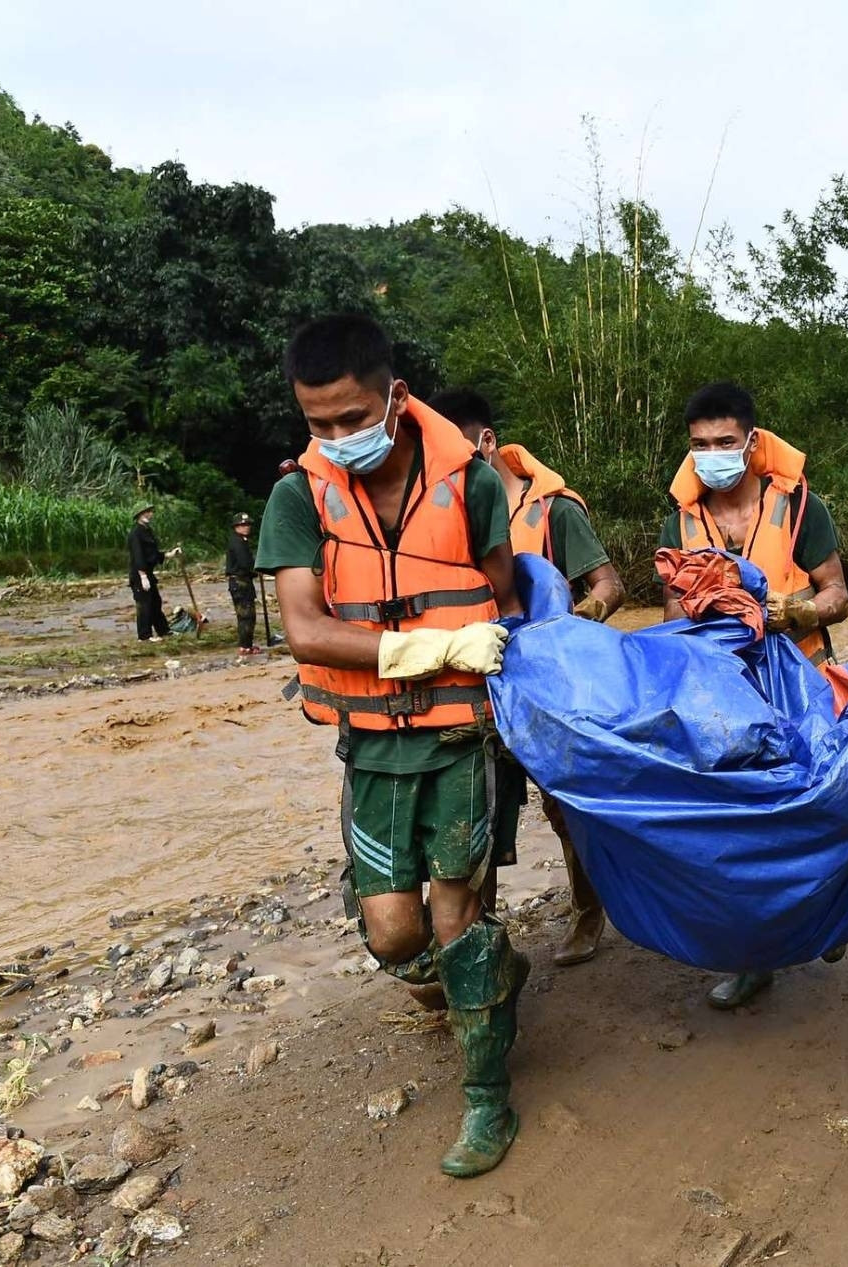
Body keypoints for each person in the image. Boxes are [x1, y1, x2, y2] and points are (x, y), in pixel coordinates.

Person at [255, 314, 527, 1179]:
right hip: (370, 747)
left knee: (456, 916)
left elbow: (501, 597)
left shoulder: (473, 482)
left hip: (457, 736)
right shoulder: (299, 494)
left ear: (395, 397)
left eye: (351, 418)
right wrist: (425, 646)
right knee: (394, 934)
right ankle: (488, 974)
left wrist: (477, 651)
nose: (338, 439)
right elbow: (303, 628)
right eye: (319, 424)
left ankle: (488, 1097)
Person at [658, 380, 848, 1009]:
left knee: (816, 810)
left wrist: (782, 612)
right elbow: (669, 619)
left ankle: (826, 913)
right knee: (737, 828)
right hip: (725, 701)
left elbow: (838, 596)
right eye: (699, 445)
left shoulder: (799, 507)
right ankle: (752, 958)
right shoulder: (681, 519)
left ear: (750, 442)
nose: (711, 454)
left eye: (724, 442)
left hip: (804, 685)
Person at [434, 387, 626, 965]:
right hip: (477, 687)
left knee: (567, 808)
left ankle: (589, 913)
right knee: (476, 814)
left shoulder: (555, 510)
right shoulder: (443, 514)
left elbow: (609, 587)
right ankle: (478, 944)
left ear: (486, 441)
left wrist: (565, 623)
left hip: (548, 689)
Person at [126, 506, 177, 642]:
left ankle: (164, 631)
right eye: (146, 512)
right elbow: (138, 557)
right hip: (139, 574)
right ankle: (144, 636)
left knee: (155, 602)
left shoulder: (148, 531)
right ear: (139, 515)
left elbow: (152, 554)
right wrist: (143, 576)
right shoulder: (135, 534)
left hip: (149, 573)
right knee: (144, 605)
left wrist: (169, 555)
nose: (150, 514)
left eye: (150, 512)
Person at [225, 513, 260, 655]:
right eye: (242, 525)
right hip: (240, 582)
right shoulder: (238, 542)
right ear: (236, 527)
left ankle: (247, 644)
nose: (246, 528)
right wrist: (255, 571)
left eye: (247, 525)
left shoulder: (241, 540)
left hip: (242, 581)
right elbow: (245, 563)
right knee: (246, 615)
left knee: (247, 614)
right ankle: (245, 646)